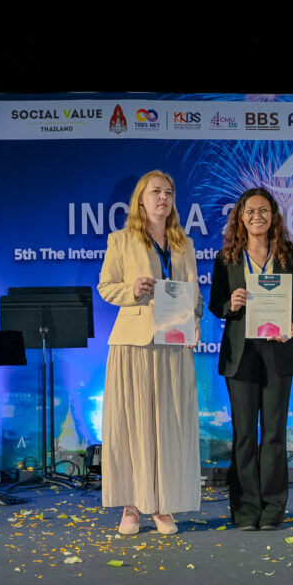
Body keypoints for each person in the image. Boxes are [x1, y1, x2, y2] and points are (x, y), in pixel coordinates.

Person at [97, 170, 204, 535]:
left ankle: (162, 505)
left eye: (169, 192)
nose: (163, 197)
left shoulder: (183, 243)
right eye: (156, 191)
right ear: (140, 200)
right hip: (134, 344)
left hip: (174, 343)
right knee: (133, 426)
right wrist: (132, 289)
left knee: (168, 426)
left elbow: (194, 293)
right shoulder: (120, 240)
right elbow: (106, 287)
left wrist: (195, 322)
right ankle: (131, 506)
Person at [210, 188, 293, 531]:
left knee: (274, 434)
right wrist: (231, 304)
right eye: (250, 211)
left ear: (273, 215)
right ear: (240, 216)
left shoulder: (289, 256)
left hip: (278, 352)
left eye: (264, 210)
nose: (257, 216)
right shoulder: (227, 258)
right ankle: (245, 509)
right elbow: (215, 303)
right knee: (243, 434)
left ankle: (272, 509)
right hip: (241, 355)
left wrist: (292, 325)